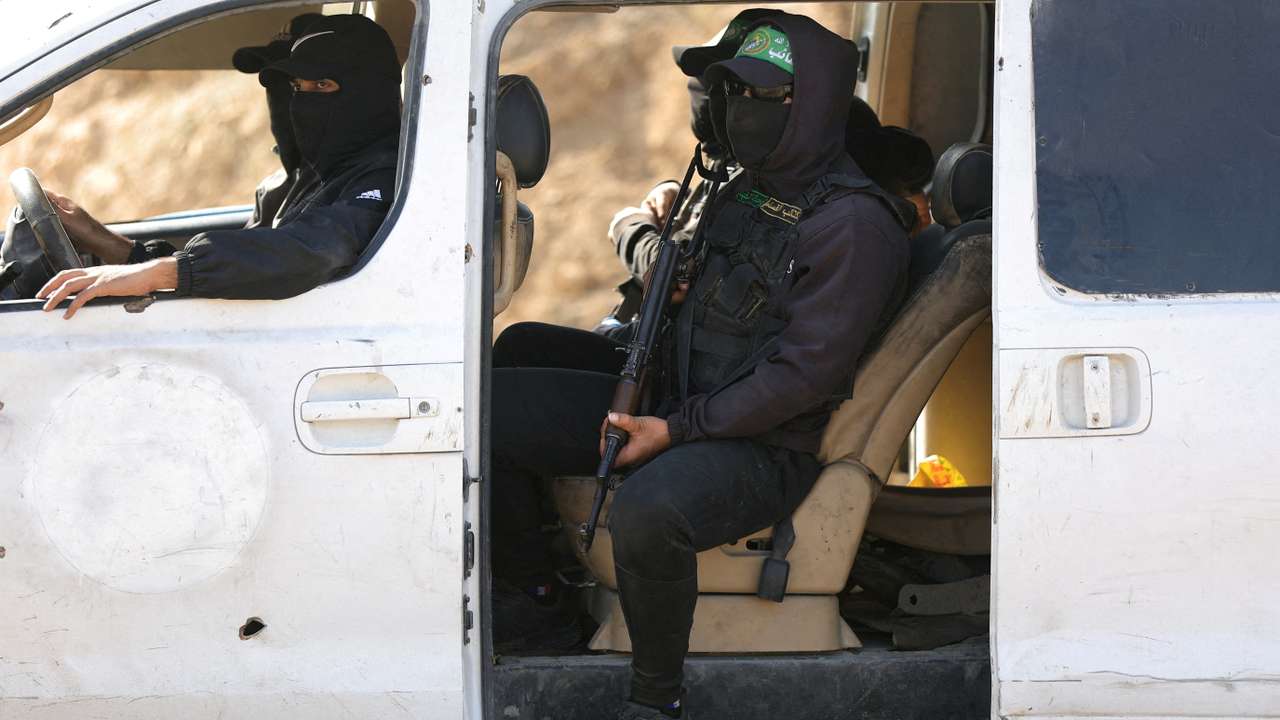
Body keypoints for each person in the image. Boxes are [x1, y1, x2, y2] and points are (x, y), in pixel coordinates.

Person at [491, 12, 911, 718]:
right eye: (732, 93)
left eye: (762, 97)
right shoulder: (748, 185)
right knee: (506, 375)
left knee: (650, 511)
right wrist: (676, 270)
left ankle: (656, 696)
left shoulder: (853, 226)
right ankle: (537, 595)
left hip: (762, 443)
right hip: (681, 390)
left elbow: (802, 376)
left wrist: (674, 429)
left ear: (810, 105)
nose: (739, 109)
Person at [35, 13, 401, 318]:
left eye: (321, 85)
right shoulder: (317, 176)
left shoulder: (388, 177)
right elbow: (246, 261)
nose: (300, 105)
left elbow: (313, 249)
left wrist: (166, 272)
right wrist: (109, 245)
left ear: (370, 91)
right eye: (296, 88)